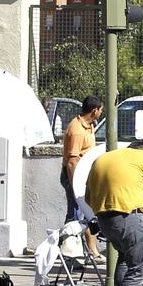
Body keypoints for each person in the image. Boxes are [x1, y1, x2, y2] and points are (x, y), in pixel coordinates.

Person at [85, 141, 143, 286]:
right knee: (139, 269)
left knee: (125, 261)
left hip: (105, 220)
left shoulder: (101, 158)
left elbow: (87, 197)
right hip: (129, 217)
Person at [61, 95, 102, 256]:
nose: (100, 113)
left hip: (84, 176)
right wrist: (75, 186)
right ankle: (69, 253)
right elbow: (72, 161)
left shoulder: (89, 125)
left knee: (87, 213)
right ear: (94, 111)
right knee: (74, 214)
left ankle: (92, 250)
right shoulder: (77, 130)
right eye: (100, 110)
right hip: (74, 176)